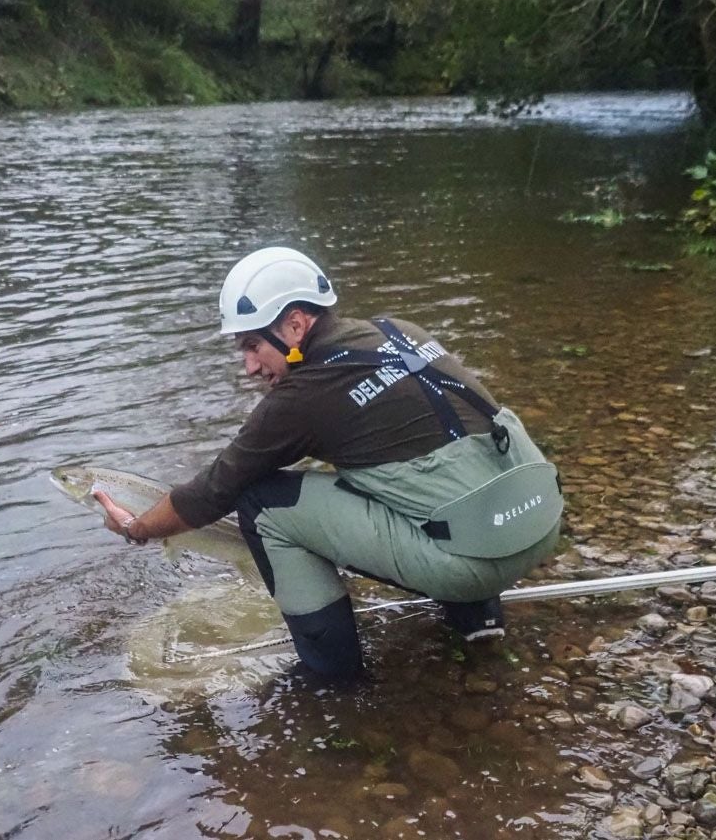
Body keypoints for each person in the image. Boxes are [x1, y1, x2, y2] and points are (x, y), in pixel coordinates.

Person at [93, 246, 562, 680]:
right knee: (402, 475)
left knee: (261, 501)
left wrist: (137, 529)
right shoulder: (399, 332)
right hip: (536, 520)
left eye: (252, 346)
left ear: (295, 326)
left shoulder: (304, 395)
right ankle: (476, 619)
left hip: (474, 562)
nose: (250, 368)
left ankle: (332, 676)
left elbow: (213, 491)